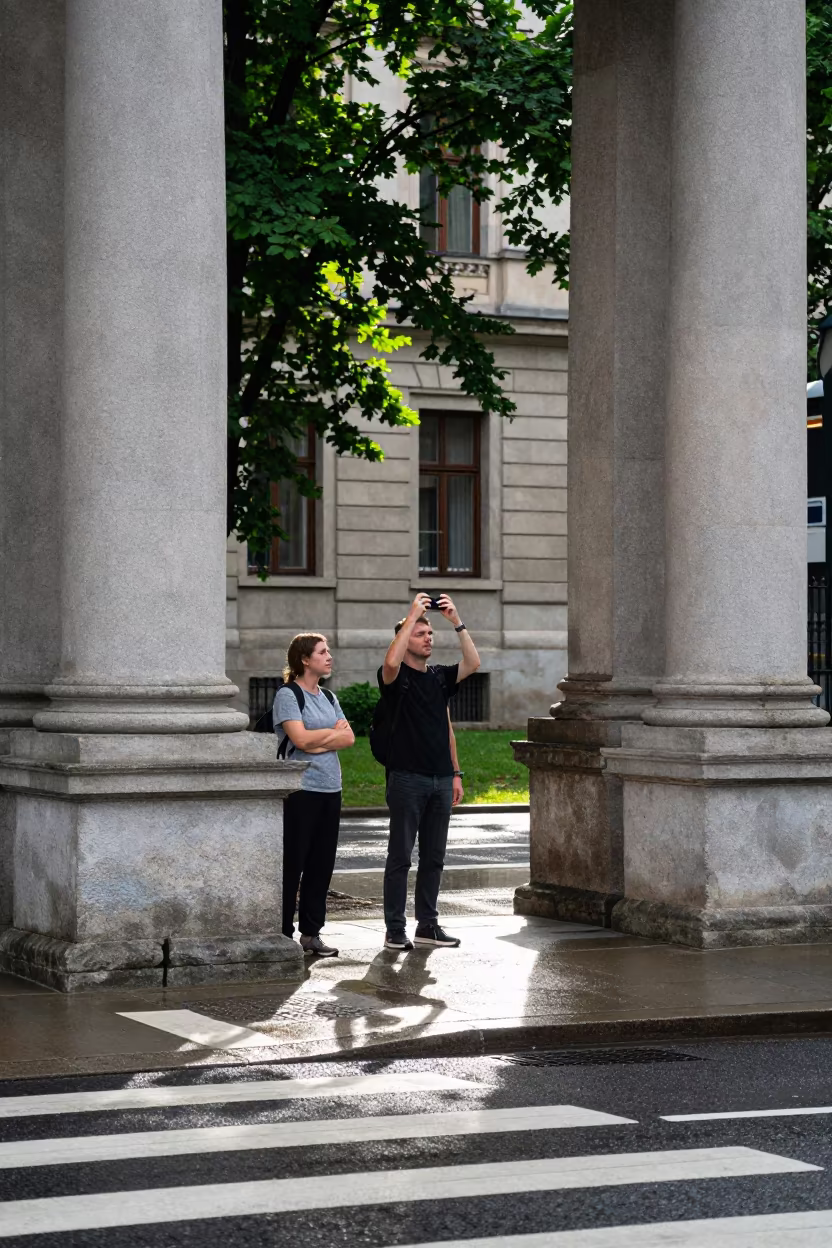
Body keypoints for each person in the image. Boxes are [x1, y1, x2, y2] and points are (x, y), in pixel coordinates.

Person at [379, 593, 481, 951]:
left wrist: (457, 622)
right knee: (401, 857)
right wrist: (411, 617)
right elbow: (391, 660)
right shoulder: (395, 678)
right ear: (407, 640)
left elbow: (473, 662)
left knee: (434, 857)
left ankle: (428, 925)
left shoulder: (439, 678)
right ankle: (395, 929)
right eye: (421, 634)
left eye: (429, 634)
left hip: (441, 779)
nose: (428, 638)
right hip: (407, 778)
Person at [274, 633, 354, 957]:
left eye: (329, 651)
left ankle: (311, 934)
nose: (329, 656)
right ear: (305, 659)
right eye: (322, 652)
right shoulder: (288, 695)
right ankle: (281, 933)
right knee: (293, 863)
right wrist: (328, 735)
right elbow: (300, 740)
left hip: (330, 789)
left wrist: (319, 739)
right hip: (301, 790)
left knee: (321, 865)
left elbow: (348, 739)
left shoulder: (328, 696)